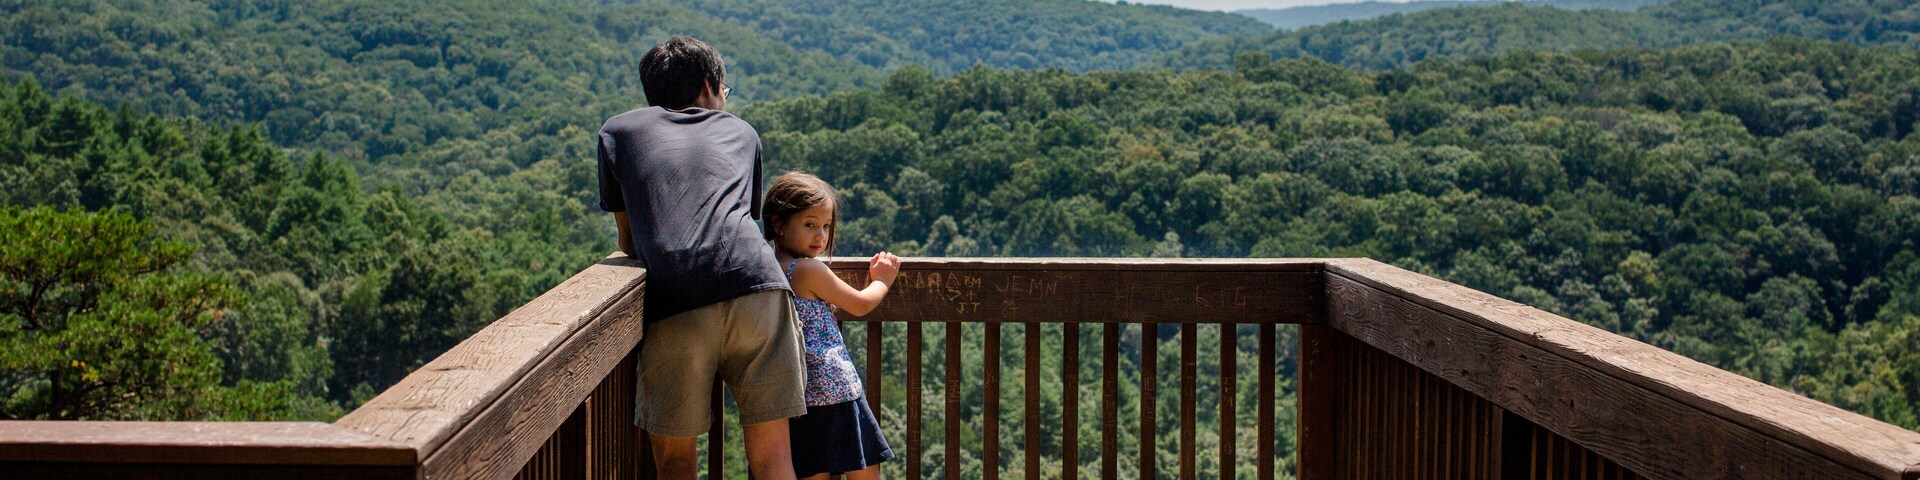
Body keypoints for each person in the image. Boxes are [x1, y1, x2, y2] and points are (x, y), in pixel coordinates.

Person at [597, 36, 805, 480]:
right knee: (772, 458)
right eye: (725, 92)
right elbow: (745, 220)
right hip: (760, 288)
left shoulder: (618, 131)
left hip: (678, 299)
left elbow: (629, 239)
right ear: (711, 86)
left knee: (675, 463)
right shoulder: (742, 132)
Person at [762, 172, 900, 480]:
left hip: (796, 398)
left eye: (826, 226)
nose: (820, 236)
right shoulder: (807, 270)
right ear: (779, 224)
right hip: (835, 391)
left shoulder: (767, 267)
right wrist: (882, 280)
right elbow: (861, 303)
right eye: (810, 224)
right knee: (865, 474)